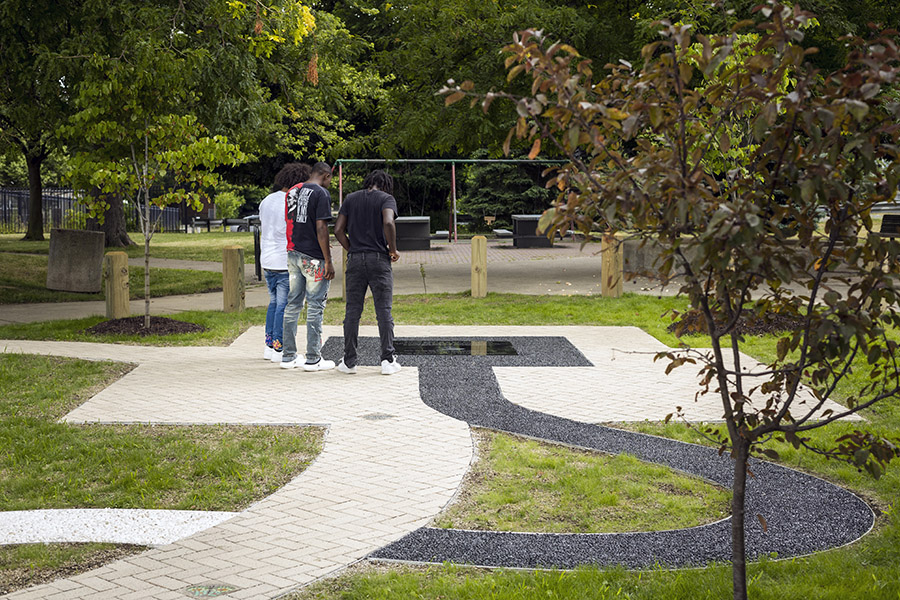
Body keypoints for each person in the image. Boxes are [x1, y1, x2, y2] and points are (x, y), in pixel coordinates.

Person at [333, 169, 402, 375]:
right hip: (379, 260)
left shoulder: (351, 199)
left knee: (353, 311)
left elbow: (337, 230)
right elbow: (388, 221)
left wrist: (351, 248)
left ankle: (349, 361)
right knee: (383, 311)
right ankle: (387, 360)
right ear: (385, 185)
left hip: (355, 259)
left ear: (368, 182)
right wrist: (392, 249)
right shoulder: (386, 199)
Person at [281, 161, 336, 371]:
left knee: (293, 303)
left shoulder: (293, 191)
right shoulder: (321, 193)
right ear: (325, 175)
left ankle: (288, 356)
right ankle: (313, 358)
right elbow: (321, 228)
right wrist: (328, 260)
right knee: (314, 305)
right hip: (313, 258)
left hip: (293, 253)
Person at [259, 163, 310, 363]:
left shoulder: (267, 200)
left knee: (274, 303)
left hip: (267, 258)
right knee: (285, 305)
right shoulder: (291, 201)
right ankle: (281, 348)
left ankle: (270, 345)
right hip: (283, 259)